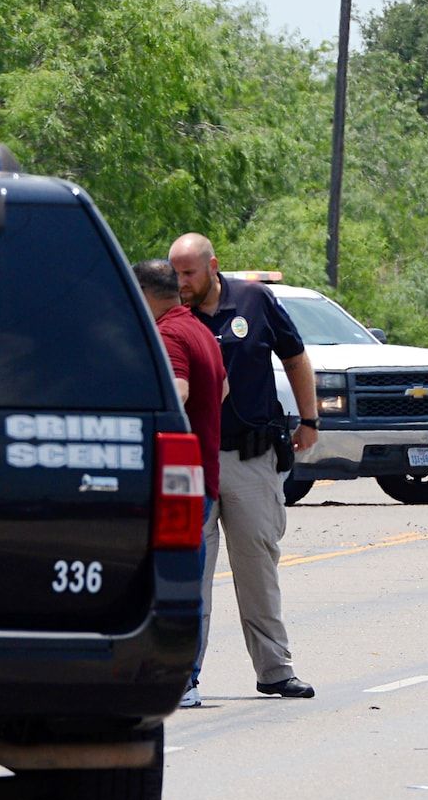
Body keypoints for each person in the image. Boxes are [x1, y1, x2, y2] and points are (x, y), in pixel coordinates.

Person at [168, 233, 318, 698]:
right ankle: (184, 678)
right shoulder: (173, 317)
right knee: (192, 571)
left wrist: (310, 419)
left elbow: (295, 358)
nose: (182, 282)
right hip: (193, 462)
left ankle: (275, 670)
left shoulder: (254, 300)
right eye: (175, 274)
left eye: (189, 272)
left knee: (258, 568)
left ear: (213, 266)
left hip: (250, 458)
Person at [132, 259, 228, 708]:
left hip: (180, 481)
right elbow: (222, 390)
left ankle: (182, 681)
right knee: (184, 580)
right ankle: (181, 677)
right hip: (204, 475)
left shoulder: (169, 333)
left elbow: (179, 392)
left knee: (172, 584)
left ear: (145, 292)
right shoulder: (197, 328)